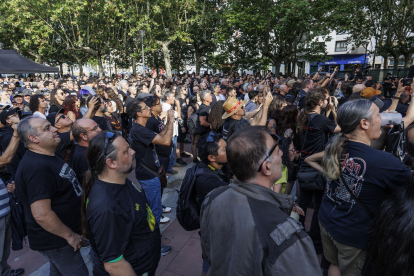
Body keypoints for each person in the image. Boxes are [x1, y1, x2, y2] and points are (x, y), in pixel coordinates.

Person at [308, 99, 411, 276]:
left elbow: (367, 153)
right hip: (353, 235)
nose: (383, 118)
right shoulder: (385, 163)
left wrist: (383, 132)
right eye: (379, 115)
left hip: (328, 220)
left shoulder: (334, 145)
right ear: (364, 123)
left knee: (334, 265)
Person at [200, 126, 321, 275]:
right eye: (277, 151)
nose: (282, 153)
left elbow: (208, 253)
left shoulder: (213, 197)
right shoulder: (286, 234)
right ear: (267, 167)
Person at [15, 116, 88, 275]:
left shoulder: (47, 155)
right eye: (47, 128)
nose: (55, 129)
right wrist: (70, 236)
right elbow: (41, 214)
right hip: (57, 240)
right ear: (33, 138)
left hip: (61, 237)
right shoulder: (37, 168)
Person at [82, 131, 161, 276]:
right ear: (111, 163)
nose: (133, 151)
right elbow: (114, 265)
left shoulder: (120, 179)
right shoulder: (106, 209)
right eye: (126, 151)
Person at [297, 87, 340, 254]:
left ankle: (297, 236)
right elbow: (339, 128)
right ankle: (315, 243)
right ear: (321, 101)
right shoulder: (321, 119)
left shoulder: (305, 117)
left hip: (304, 166)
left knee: (302, 204)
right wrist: (334, 110)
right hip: (317, 166)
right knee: (318, 206)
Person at [129, 99, 174, 255]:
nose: (149, 108)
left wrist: (167, 124)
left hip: (149, 173)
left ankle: (153, 241)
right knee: (154, 213)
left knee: (153, 210)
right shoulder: (138, 130)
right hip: (148, 176)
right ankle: (155, 246)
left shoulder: (140, 128)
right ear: (139, 113)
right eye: (145, 108)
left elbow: (159, 136)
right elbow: (166, 141)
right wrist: (171, 121)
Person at [195, 131, 230, 276]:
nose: (229, 151)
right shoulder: (208, 180)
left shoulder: (219, 168)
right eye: (224, 149)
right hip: (213, 232)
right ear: (211, 157)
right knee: (210, 266)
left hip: (215, 227)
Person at [0, 115, 25, 276]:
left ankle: (6, 272)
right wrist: (16, 133)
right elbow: (6, 159)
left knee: (4, 249)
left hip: (4, 207)